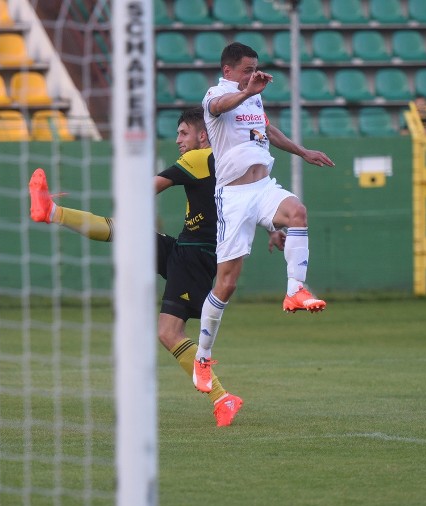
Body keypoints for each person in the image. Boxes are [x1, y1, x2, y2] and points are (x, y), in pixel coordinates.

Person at [29, 107, 282, 426]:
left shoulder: (197, 159)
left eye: (183, 133)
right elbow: (252, 202)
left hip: (196, 255)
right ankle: (50, 211)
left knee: (168, 332)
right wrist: (273, 228)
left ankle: (222, 397)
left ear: (203, 136)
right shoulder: (233, 163)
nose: (178, 140)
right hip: (189, 248)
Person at [192, 42, 335, 392]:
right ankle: (203, 356)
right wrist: (246, 92)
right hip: (234, 197)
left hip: (263, 187)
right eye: (246, 69)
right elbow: (219, 106)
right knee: (227, 283)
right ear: (228, 71)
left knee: (297, 212)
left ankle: (294, 290)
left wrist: (303, 152)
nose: (253, 74)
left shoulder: (252, 96)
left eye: (256, 68)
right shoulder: (218, 94)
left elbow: (267, 131)